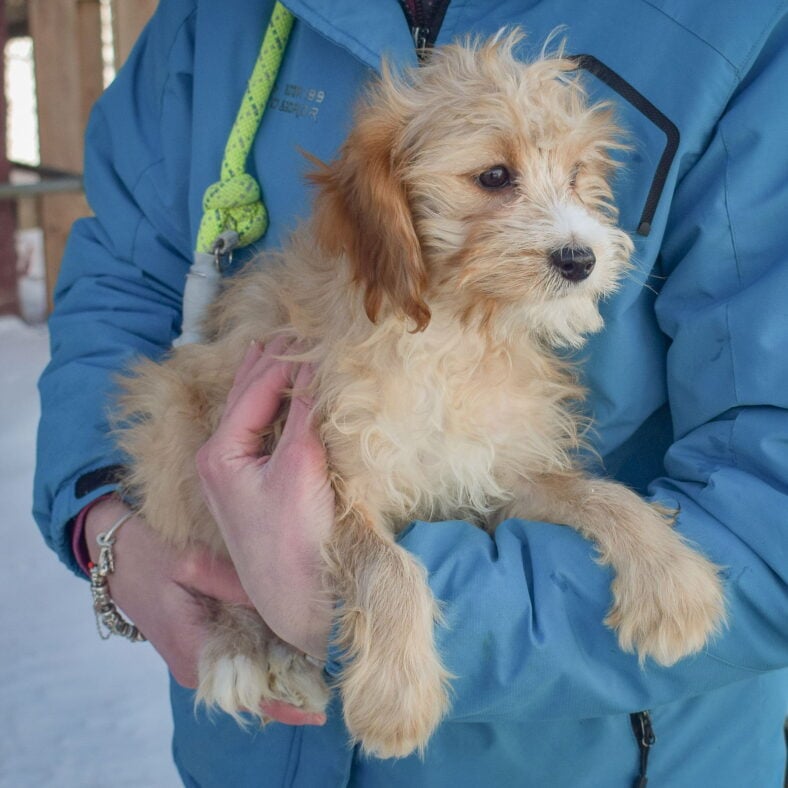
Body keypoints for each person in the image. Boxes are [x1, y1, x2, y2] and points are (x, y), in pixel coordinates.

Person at [33, 1, 788, 785]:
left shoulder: (744, 26)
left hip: (607, 755)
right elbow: (122, 277)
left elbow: (770, 512)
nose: (574, 230)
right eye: (496, 180)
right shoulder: (213, 19)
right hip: (259, 758)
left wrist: (343, 608)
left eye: (577, 179)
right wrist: (108, 523)